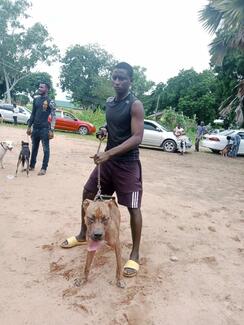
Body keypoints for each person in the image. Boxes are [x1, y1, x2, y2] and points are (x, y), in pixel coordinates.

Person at [61, 62, 144, 278]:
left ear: (130, 81)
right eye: (115, 77)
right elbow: (114, 126)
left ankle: (134, 254)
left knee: (133, 207)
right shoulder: (109, 103)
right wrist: (104, 130)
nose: (117, 81)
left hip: (127, 164)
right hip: (109, 161)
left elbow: (137, 137)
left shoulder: (135, 105)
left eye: (122, 78)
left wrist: (108, 153)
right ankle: (82, 234)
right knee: (88, 193)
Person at [26, 82, 56, 176]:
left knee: (46, 149)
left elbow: (53, 116)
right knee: (34, 147)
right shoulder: (36, 100)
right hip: (35, 128)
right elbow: (33, 114)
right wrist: (29, 126)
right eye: (39, 87)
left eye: (42, 87)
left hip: (44, 129)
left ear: (47, 89)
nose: (39, 88)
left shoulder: (51, 101)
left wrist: (51, 129)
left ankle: (44, 168)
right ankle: (31, 166)